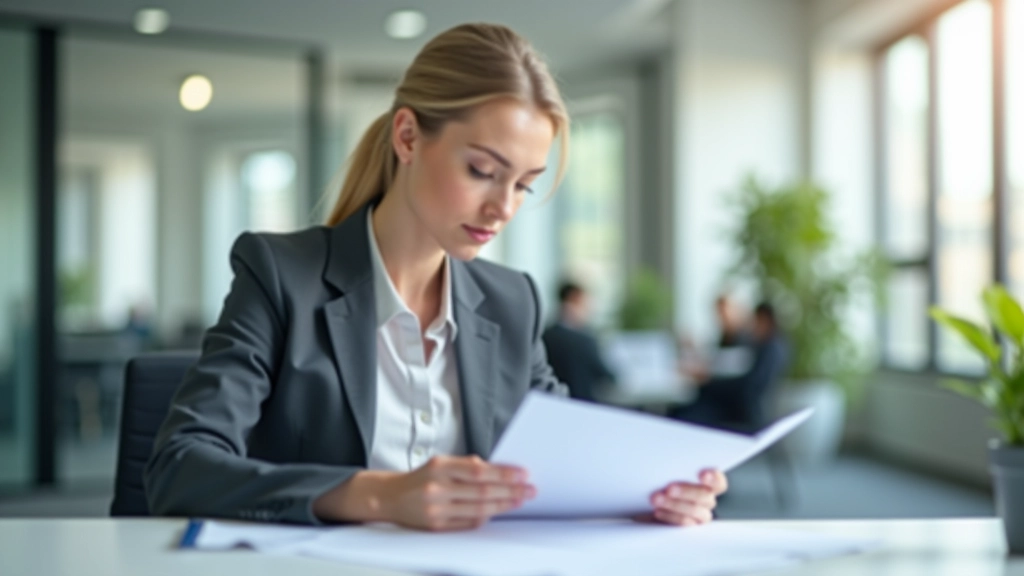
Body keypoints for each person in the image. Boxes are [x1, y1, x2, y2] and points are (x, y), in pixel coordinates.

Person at [145, 23, 726, 531]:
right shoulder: (281, 277)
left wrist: (650, 495)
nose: (504, 207)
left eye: (523, 184)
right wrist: (380, 495)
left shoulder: (510, 302)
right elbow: (180, 465)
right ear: (407, 137)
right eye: (482, 170)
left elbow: (563, 462)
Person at [674, 302, 788, 431]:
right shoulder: (755, 343)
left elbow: (748, 387)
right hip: (728, 401)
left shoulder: (763, 346)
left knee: (684, 416)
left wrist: (708, 382)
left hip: (739, 410)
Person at [542, 281, 616, 402]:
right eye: (584, 303)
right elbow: (606, 375)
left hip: (551, 406)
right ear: (574, 300)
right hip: (582, 407)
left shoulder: (543, 336)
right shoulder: (585, 341)